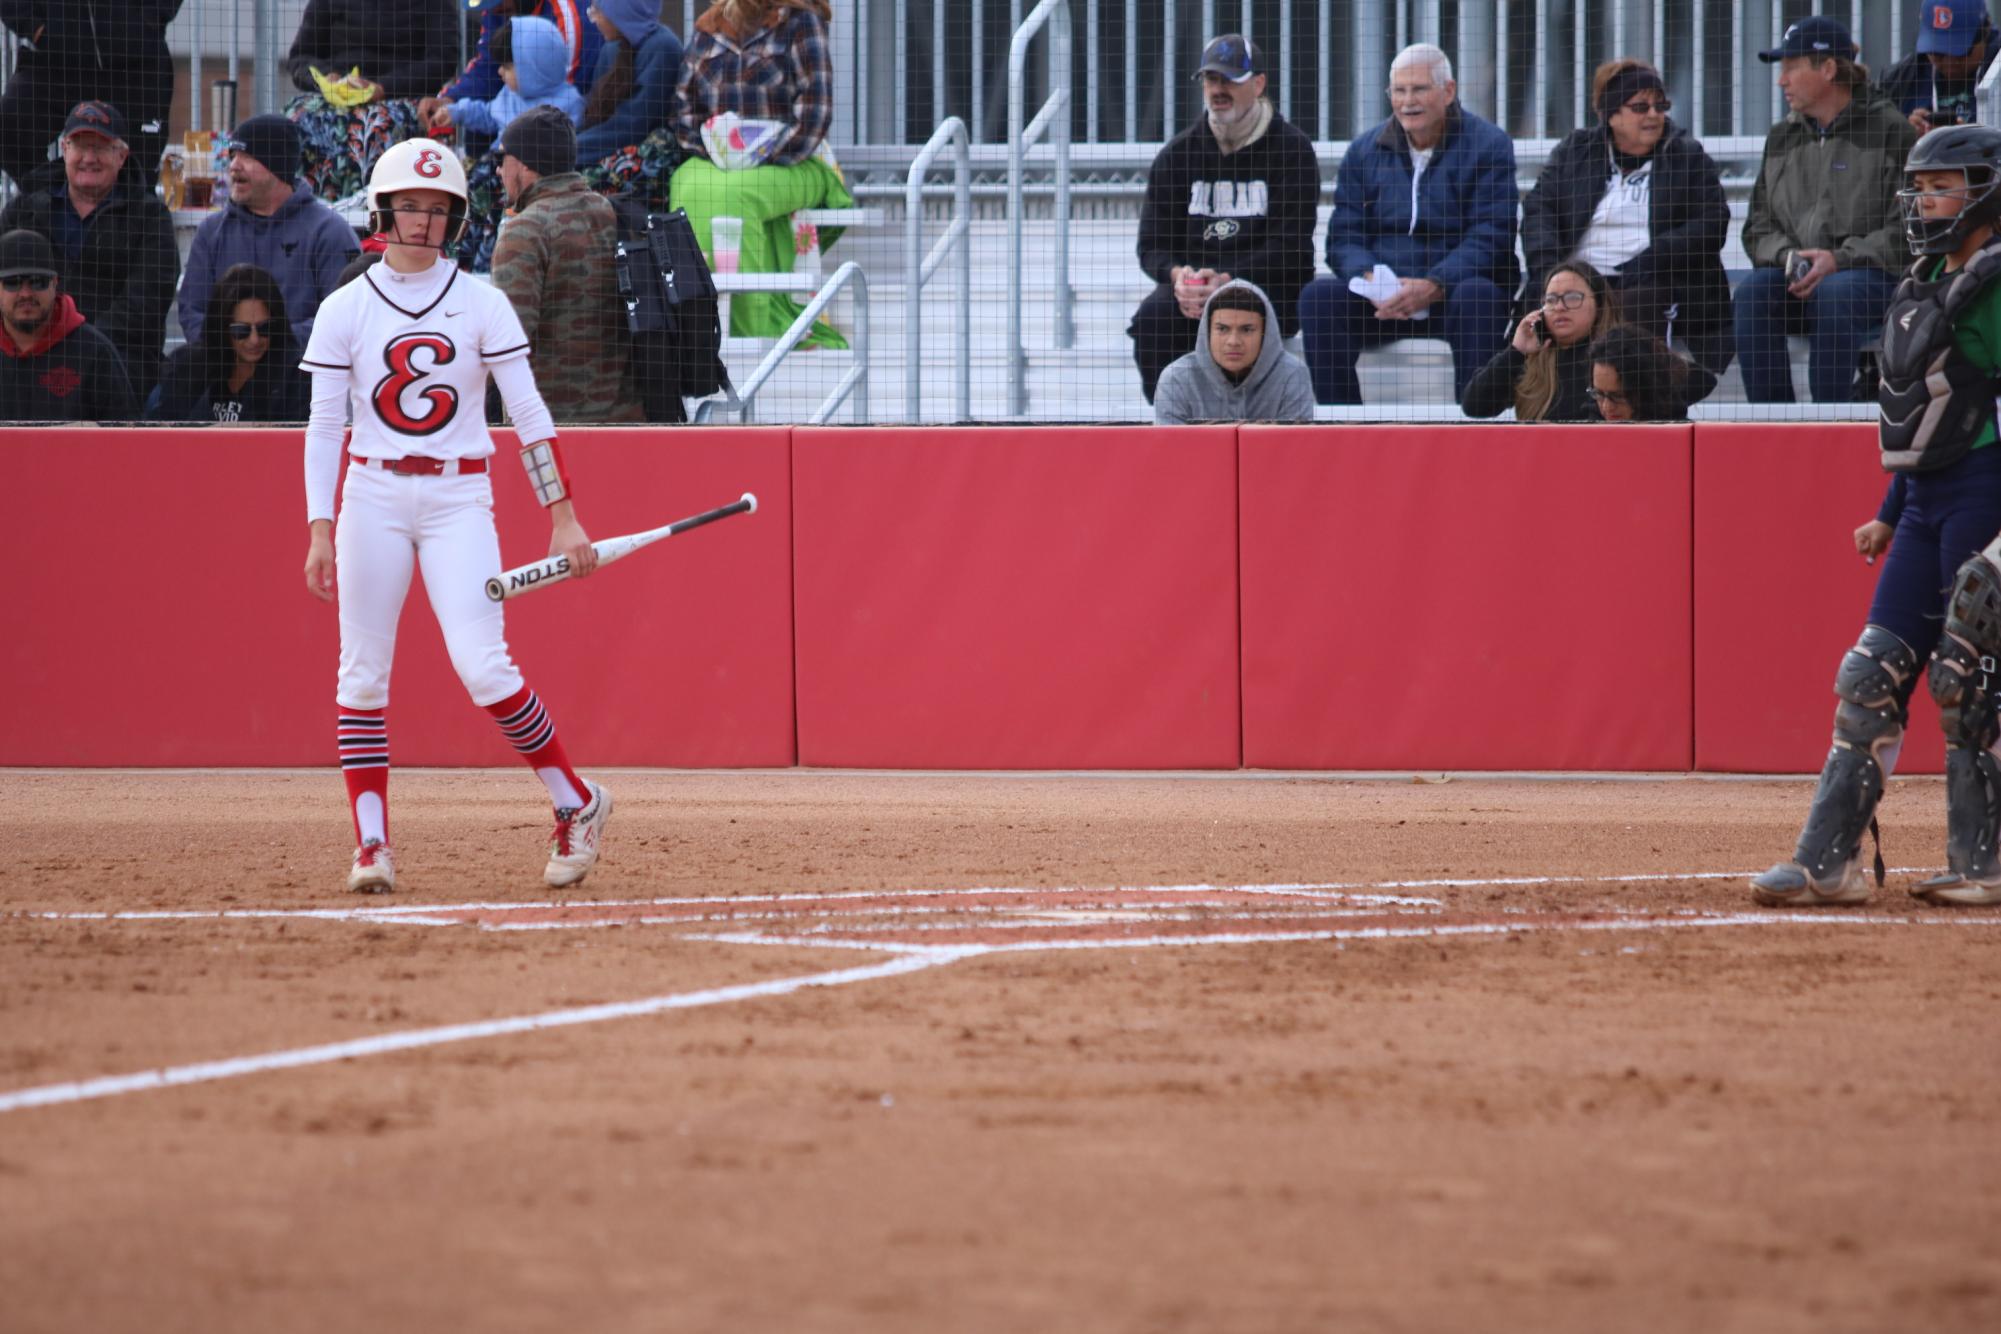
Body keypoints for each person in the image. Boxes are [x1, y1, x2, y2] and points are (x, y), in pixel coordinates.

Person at [300, 138, 612, 896]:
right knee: (362, 676)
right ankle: (371, 844)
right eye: (410, 205)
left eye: (440, 210)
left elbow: (529, 414)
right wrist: (318, 528)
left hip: (458, 495)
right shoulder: (345, 306)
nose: (424, 221)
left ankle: (578, 801)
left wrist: (562, 516)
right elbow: (324, 425)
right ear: (381, 211)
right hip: (370, 496)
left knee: (482, 667)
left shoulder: (483, 301)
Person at [1751, 124, 2001, 909]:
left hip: (1988, 493)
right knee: (1868, 676)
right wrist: (1891, 510)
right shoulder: (1927, 275)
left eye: (1941, 186)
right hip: (1929, 498)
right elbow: (1931, 411)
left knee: (1967, 675)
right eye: (1920, 187)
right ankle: (1827, 861)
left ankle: (1983, 862)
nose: (1925, 200)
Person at [1297, 43, 1518, 406]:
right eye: (1398, 90)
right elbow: (1343, 237)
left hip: (1453, 295)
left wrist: (1435, 284)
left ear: (1448, 91)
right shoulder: (1363, 151)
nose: (1407, 101)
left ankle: (1477, 429)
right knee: (1319, 299)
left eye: (1418, 89)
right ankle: (1340, 429)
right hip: (1382, 299)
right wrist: (1370, 278)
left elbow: (1491, 234)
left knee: (1480, 297)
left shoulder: (1489, 145)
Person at [1128, 35, 1319, 404]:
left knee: (1240, 320)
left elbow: (1291, 246)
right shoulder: (1178, 154)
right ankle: (1172, 425)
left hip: (1270, 286)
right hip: (1196, 292)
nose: (1219, 89)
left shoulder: (1292, 149)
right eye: (1212, 80)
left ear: (1259, 83)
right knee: (1153, 318)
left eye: (1231, 80)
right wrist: (1178, 277)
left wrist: (1228, 279)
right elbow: (1151, 246)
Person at [1737, 17, 1918, 403]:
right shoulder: (1782, 135)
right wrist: (1789, 258)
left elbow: (1908, 228)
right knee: (1752, 293)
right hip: (1798, 281)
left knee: (1837, 292)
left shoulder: (1890, 130)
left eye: (1790, 68)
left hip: (1869, 281)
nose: (1780, 81)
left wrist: (1838, 259)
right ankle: (1770, 425)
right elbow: (1757, 227)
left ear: (1828, 69)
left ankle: (1828, 422)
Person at [1520, 58, 1732, 378]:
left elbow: (1713, 221)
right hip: (1579, 277)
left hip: (1653, 278)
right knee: (1552, 304)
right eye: (1640, 107)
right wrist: (1552, 269)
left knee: (1633, 308)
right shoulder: (1576, 151)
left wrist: (1655, 258)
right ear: (1611, 114)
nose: (1654, 115)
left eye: (1660, 106)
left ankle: (1632, 412)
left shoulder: (1686, 155)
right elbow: (1539, 209)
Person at [668, 0, 849, 344]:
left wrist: (759, 157)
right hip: (715, 159)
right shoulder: (709, 28)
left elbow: (816, 112)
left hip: (795, 158)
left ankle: (750, 329)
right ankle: (694, 329)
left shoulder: (801, 23)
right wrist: (717, 153)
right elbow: (682, 109)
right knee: (686, 183)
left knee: (737, 193)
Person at [0, 101, 179, 399]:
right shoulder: (25, 208)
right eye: (80, 146)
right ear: (64, 148)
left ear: (122, 156)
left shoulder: (150, 217)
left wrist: (77, 344)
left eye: (101, 148)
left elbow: (146, 303)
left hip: (120, 361)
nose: (89, 158)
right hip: (26, 351)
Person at [489, 107, 642, 422]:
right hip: (627, 421)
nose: (498, 171)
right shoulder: (614, 214)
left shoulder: (525, 230)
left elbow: (507, 341)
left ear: (524, 163)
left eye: (500, 159)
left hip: (548, 426)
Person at [178, 115, 361, 349]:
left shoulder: (329, 231)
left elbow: (344, 318)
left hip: (303, 376)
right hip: (225, 375)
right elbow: (192, 311)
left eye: (247, 156)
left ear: (277, 165)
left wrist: (268, 345)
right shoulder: (212, 231)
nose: (234, 165)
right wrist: (234, 351)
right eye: (233, 156)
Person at [440, 16, 593, 273]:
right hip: (493, 172)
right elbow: (490, 115)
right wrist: (457, 112)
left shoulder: (567, 105)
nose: (500, 72)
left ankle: (484, 266)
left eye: (508, 66)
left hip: (520, 179)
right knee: (468, 202)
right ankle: (457, 260)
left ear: (534, 67)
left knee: (492, 209)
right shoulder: (511, 95)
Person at [284, 0, 461, 203]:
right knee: (297, 117)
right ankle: (304, 207)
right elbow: (300, 57)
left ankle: (369, 208)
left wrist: (383, 88)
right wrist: (326, 78)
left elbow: (442, 61)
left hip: (398, 96)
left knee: (372, 124)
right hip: (335, 94)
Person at [0, 2, 180, 191]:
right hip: (56, 55)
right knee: (9, 127)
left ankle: (114, 214)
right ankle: (56, 206)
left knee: (137, 175)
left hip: (135, 61)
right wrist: (33, 26)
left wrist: (149, 18)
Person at [0, 228, 136, 421]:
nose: (26, 294)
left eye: (38, 282)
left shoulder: (94, 351)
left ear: (55, 284)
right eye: (12, 283)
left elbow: (127, 434)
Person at [151, 264, 311, 423]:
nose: (254, 339)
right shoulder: (187, 369)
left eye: (265, 328)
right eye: (241, 330)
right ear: (221, 327)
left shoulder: (295, 377)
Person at [1460, 261, 1615, 422]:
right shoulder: (1532, 359)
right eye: (1551, 299)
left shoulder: (1619, 354)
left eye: (1572, 298)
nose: (1559, 307)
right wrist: (1516, 351)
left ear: (1599, 303)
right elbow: (1475, 406)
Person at [421, 0, 603, 135]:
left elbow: (562, 93)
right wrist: (451, 99)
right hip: (511, 142)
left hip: (548, 146)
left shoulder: (570, 17)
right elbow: (488, 65)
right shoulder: (497, 8)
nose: (493, 10)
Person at [1152, 280, 1315, 425]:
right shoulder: (1177, 378)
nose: (1233, 341)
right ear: (1207, 332)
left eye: (1247, 329)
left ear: (1265, 334)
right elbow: (1170, 454)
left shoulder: (1292, 375)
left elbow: (1294, 452)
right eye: (1222, 329)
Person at [577, 0, 686, 167]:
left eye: (598, 11)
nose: (594, 19)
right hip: (605, 150)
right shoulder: (612, 48)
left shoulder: (663, 48)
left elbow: (634, 125)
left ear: (622, 12)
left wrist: (569, 151)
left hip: (646, 160)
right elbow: (593, 114)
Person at [1881, 0, 1999, 135]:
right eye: (1938, 54)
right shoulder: (1900, 81)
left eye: (1960, 53)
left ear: (1985, 33)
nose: (1950, 63)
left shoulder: (1997, 70)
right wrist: (1908, 139)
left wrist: (1976, 142)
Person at [1584, 325, 1715, 423]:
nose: (1607, 407)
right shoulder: (1589, 429)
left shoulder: (1680, 436)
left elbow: (1705, 378)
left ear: (1647, 387)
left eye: (1618, 396)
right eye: (1599, 394)